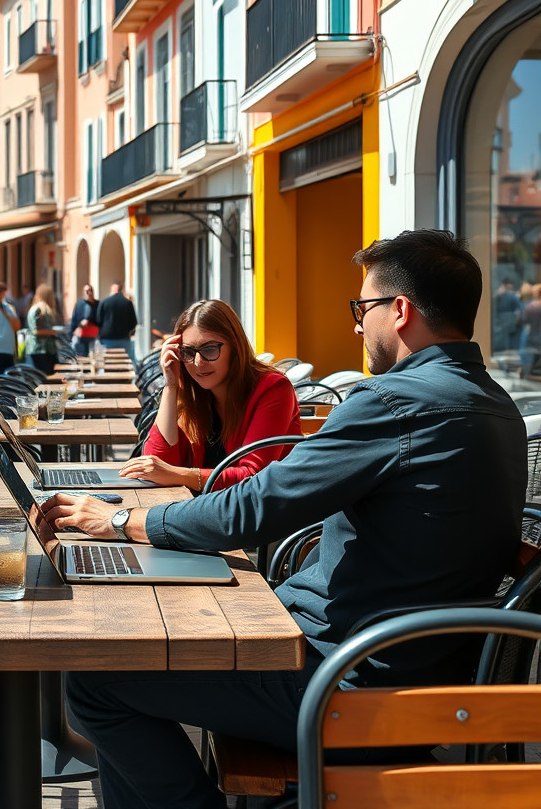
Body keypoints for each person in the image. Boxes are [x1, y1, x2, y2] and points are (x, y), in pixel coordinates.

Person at [42, 230, 526, 809]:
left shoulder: (395, 402)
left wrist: (119, 523)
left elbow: (256, 504)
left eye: (362, 308)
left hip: (349, 684)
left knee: (98, 677)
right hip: (414, 674)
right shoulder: (501, 408)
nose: (356, 326)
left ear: (399, 312)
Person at [120, 299, 301, 491]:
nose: (198, 362)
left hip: (261, 515)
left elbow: (253, 477)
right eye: (188, 352)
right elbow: (157, 464)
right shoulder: (194, 394)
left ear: (235, 347)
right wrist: (171, 386)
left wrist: (177, 474)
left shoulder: (273, 388)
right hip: (207, 510)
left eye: (209, 349)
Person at [96, 282, 138, 366]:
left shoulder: (104, 302)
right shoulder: (127, 303)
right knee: (125, 363)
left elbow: (98, 320)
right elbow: (133, 322)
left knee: (107, 363)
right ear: (121, 290)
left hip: (107, 339)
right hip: (123, 338)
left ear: (112, 289)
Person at [24, 284, 61, 376]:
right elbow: (35, 331)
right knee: (42, 379)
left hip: (47, 350)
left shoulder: (43, 309)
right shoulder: (38, 310)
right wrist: (54, 332)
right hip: (39, 350)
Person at [69, 283, 100, 358]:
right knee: (81, 357)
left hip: (94, 336)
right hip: (81, 336)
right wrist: (73, 332)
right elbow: (74, 320)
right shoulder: (79, 304)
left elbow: (101, 319)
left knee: (94, 357)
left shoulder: (98, 304)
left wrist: (91, 323)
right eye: (87, 291)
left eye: (90, 291)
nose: (89, 293)